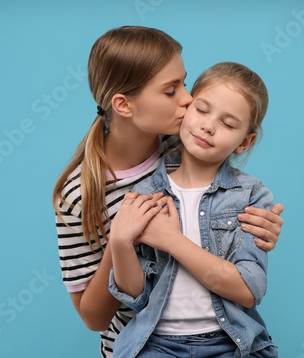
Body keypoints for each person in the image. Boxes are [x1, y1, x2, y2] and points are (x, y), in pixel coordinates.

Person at [52, 26, 284, 357]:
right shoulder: (78, 193)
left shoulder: (190, 146)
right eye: (170, 90)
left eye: (185, 83)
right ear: (123, 105)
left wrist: (262, 229)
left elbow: (230, 209)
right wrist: (121, 238)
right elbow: (93, 318)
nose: (188, 99)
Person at [109, 62, 278, 357]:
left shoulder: (252, 195)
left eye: (228, 124)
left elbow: (249, 291)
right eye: (201, 110)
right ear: (185, 107)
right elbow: (136, 297)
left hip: (229, 342)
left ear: (245, 142)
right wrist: (120, 242)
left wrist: (172, 240)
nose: (208, 125)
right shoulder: (147, 191)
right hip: (156, 343)